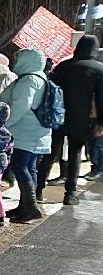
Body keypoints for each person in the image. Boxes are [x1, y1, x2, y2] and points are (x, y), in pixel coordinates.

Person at [37, 35, 103, 205]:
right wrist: (100, 122)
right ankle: (70, 194)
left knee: (50, 153)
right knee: (75, 153)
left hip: (57, 115)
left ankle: (37, 190)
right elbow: (101, 99)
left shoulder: (63, 66)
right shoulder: (99, 69)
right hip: (82, 119)